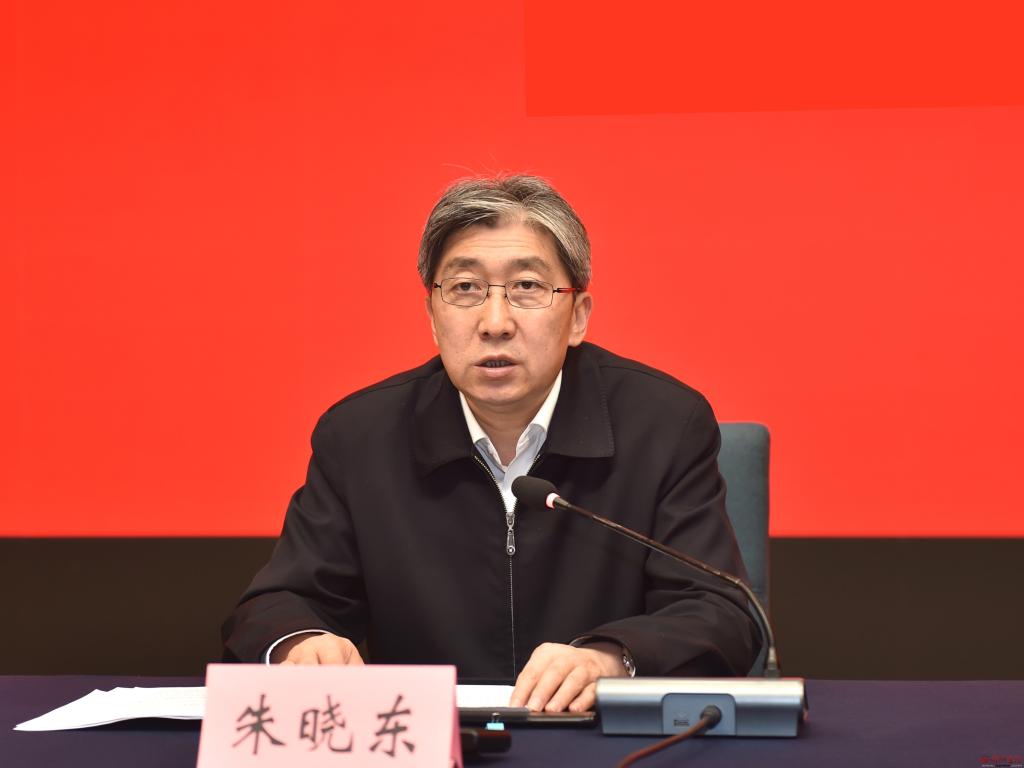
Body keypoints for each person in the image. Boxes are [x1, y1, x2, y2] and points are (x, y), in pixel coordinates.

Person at [222, 174, 759, 713]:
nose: (495, 323)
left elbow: (719, 613)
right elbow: (277, 605)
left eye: (527, 287)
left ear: (578, 316)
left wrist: (614, 659)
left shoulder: (664, 425)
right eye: (465, 288)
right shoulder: (360, 437)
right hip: (427, 737)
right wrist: (300, 644)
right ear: (432, 317)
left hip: (598, 740)